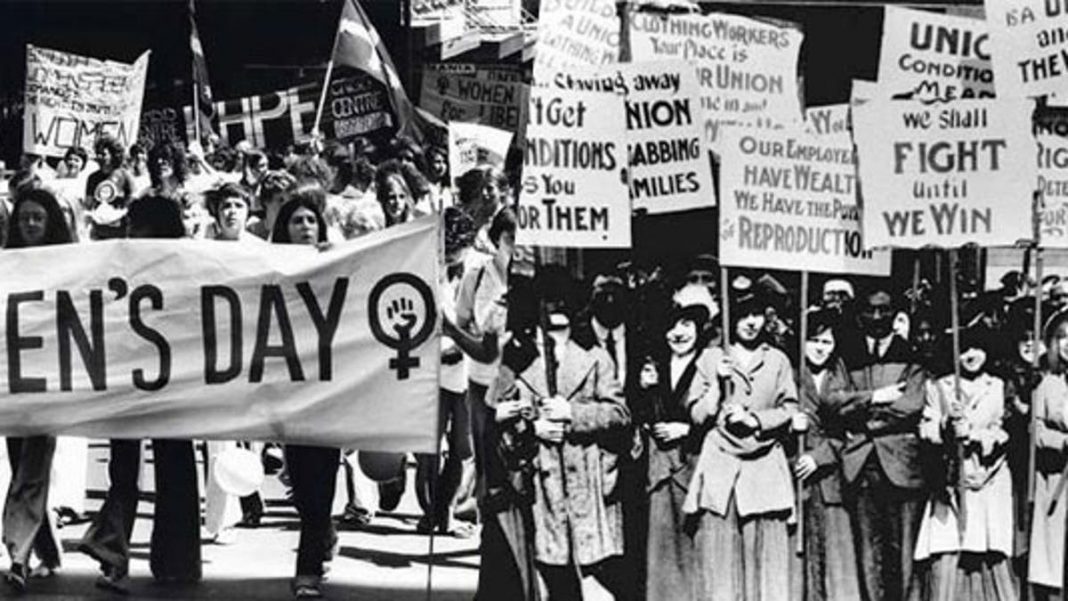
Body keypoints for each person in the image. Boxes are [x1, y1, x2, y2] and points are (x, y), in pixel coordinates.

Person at [79, 196, 202, 593]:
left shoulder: (186, 264)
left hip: (166, 378)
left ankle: (148, 557)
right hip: (136, 377)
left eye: (138, 225)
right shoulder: (118, 262)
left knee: (160, 466)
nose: (131, 232)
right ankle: (135, 555)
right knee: (142, 467)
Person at [684, 284, 798, 601]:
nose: (751, 322)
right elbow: (696, 415)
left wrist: (756, 420)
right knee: (720, 561)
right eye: (744, 315)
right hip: (721, 468)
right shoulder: (710, 357)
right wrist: (717, 387)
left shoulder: (777, 360)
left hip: (764, 467)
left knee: (765, 560)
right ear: (731, 319)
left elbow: (790, 408)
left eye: (757, 314)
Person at [834, 283, 927, 601]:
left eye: (884, 309)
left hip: (902, 465)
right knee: (867, 549)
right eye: (870, 309)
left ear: (894, 313)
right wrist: (874, 398)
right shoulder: (848, 354)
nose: (877, 316)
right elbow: (838, 404)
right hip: (862, 465)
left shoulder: (912, 353)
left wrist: (866, 419)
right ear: (860, 314)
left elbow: (911, 405)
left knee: (903, 550)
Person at [2, 188, 73, 593]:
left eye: (37, 218)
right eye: (23, 217)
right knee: (22, 466)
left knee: (32, 468)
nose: (29, 224)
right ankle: (48, 549)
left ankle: (17, 555)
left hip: (50, 380)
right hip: (15, 382)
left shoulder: (69, 267)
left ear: (50, 224)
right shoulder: (6, 266)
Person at [913, 324, 1016, 601]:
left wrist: (974, 434)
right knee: (947, 551)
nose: (970, 355)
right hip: (951, 481)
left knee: (991, 550)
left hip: (990, 478)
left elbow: (1006, 430)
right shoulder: (939, 386)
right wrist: (947, 425)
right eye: (964, 349)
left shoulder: (999, 386)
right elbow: (926, 428)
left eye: (976, 348)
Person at [270, 188, 339, 599]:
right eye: (297, 221)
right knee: (300, 481)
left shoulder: (335, 260)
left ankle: (307, 569)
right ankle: (323, 532)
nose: (305, 227)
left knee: (323, 480)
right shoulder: (269, 265)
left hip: (330, 385)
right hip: (289, 387)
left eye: (311, 220)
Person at [636, 284, 717, 600]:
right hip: (661, 472)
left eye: (686, 324)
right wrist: (646, 391)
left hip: (695, 467)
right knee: (662, 551)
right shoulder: (654, 365)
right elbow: (639, 417)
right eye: (672, 325)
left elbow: (720, 414)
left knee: (695, 548)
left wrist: (687, 430)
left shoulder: (709, 364)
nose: (678, 333)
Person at [415, 207, 476, 536]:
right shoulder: (424, 268)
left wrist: (461, 346)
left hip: (465, 368)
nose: (452, 256)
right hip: (429, 369)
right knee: (428, 445)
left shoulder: (475, 270)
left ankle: (448, 510)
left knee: (462, 448)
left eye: (457, 250)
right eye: (447, 249)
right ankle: (430, 511)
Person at [794, 308, 861, 601]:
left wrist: (818, 456)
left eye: (826, 342)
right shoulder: (793, 374)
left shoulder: (844, 377)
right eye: (814, 340)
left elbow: (851, 430)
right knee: (802, 555)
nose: (820, 348)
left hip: (832, 477)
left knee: (836, 557)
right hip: (797, 475)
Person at [1028, 308, 1068, 597]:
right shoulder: (1049, 384)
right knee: (1056, 552)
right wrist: (1062, 441)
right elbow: (1036, 430)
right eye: (1063, 337)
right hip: (1057, 479)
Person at [84, 134, 135, 240]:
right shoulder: (92, 177)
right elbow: (88, 204)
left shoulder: (125, 175)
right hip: (98, 231)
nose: (99, 157)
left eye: (103, 154)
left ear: (113, 154)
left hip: (119, 231)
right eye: (98, 154)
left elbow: (131, 203)